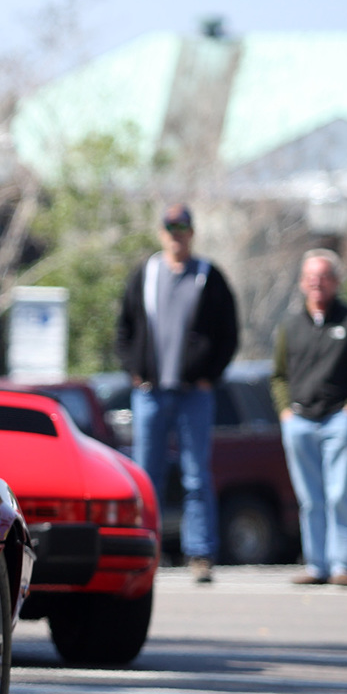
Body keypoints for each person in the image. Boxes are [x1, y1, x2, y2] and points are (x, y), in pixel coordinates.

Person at [115, 203, 239, 583]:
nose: (176, 235)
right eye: (170, 228)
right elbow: (125, 327)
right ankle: (144, 550)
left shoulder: (208, 276)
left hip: (193, 395)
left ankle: (200, 553)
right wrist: (134, 370)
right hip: (150, 394)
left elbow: (229, 334)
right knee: (146, 474)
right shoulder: (146, 274)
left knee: (196, 475)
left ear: (192, 233)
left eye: (183, 228)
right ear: (161, 232)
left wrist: (208, 375)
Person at [271, 249, 347, 587]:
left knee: (339, 493)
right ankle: (317, 565)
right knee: (310, 498)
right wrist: (285, 412)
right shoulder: (290, 325)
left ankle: (343, 565)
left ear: (336, 281)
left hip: (338, 420)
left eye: (324, 277)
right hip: (300, 421)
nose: (317, 283)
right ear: (302, 283)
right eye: (311, 277)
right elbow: (278, 375)